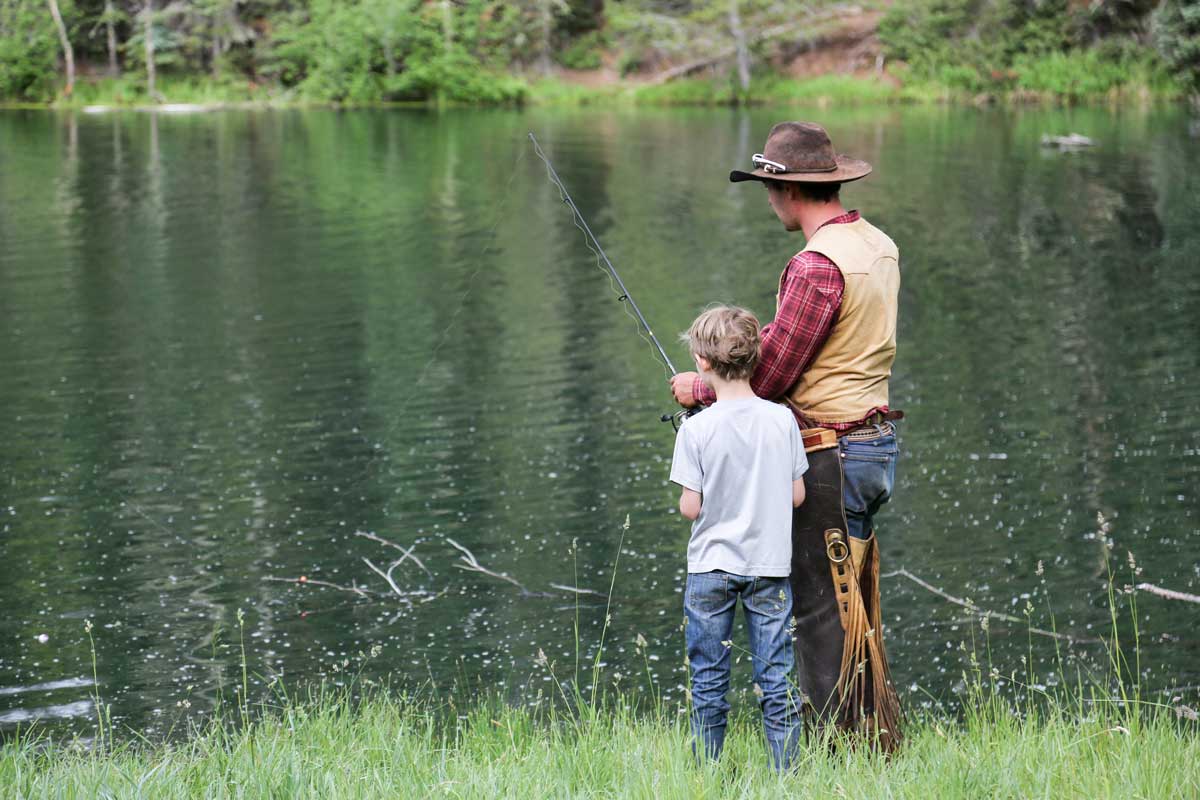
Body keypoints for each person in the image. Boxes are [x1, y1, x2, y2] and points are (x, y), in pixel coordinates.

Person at [670, 121, 903, 749]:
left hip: (833, 452)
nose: (769, 199)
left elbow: (772, 374)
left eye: (769, 188)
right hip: (875, 443)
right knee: (855, 602)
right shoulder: (877, 244)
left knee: (823, 609)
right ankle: (869, 734)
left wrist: (703, 387)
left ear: (790, 190)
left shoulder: (816, 265)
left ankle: (833, 747)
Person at [669, 304, 808, 770]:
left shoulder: (696, 428)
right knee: (777, 681)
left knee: (709, 683)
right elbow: (797, 495)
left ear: (702, 362)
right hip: (769, 567)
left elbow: (691, 507)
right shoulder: (782, 420)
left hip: (710, 570)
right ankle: (787, 776)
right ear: (755, 356)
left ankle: (706, 777)